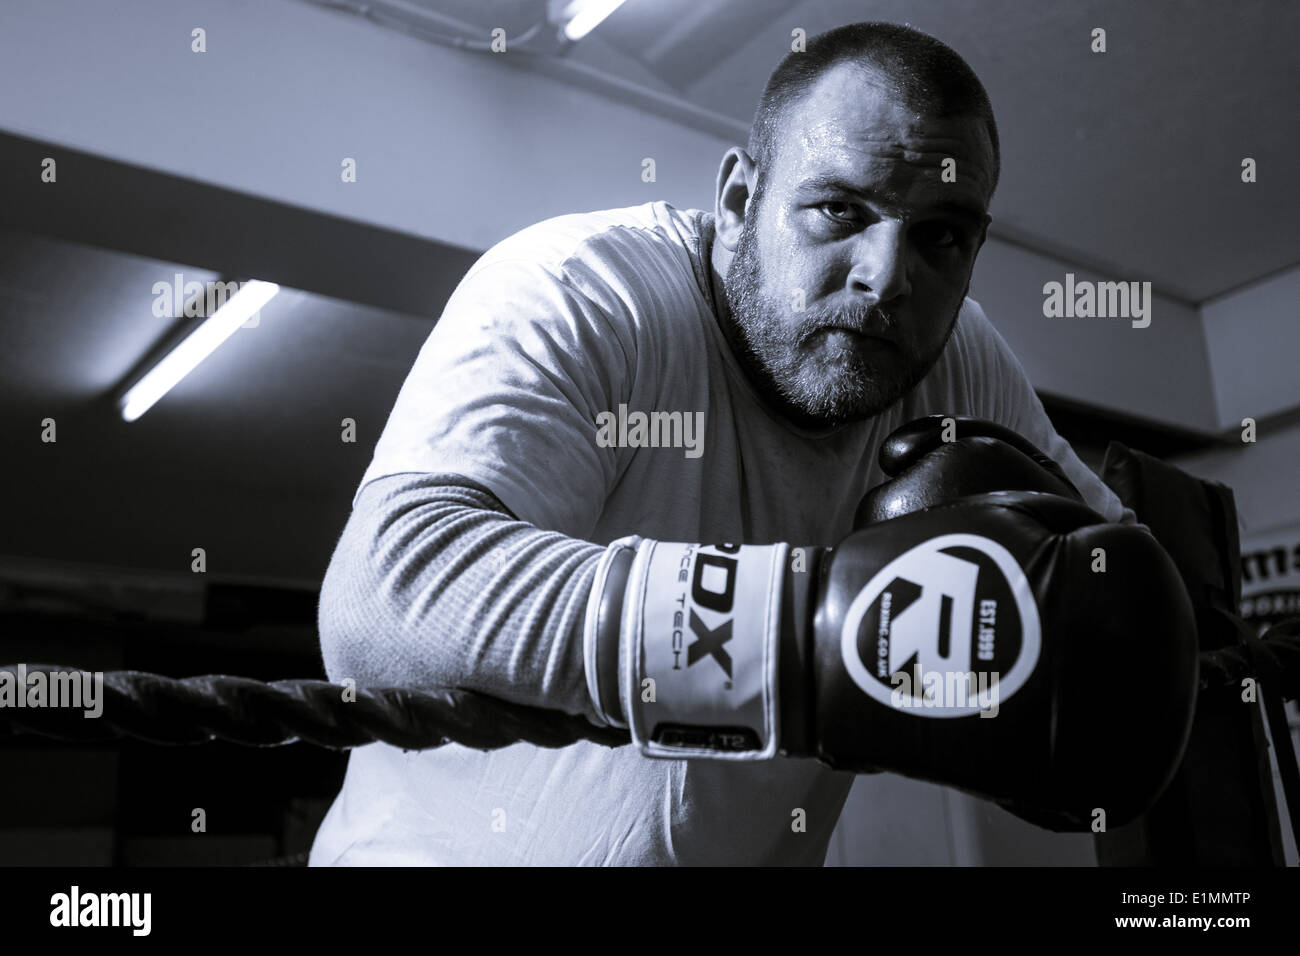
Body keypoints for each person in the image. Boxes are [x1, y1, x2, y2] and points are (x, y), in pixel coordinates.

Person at [309, 21, 1134, 866]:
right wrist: (805, 633)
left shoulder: (959, 365)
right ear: (740, 203)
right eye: (840, 211)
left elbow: (1121, 567)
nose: (887, 277)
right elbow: (386, 596)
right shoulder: (586, 290)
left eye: (942, 236)